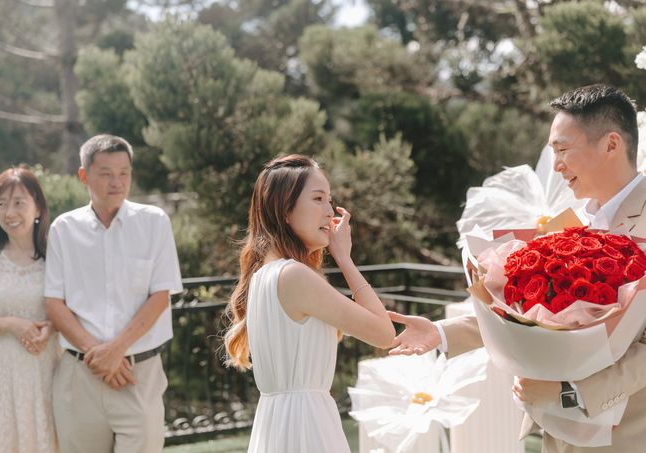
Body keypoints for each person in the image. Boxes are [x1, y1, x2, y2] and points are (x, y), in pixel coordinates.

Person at [389, 84, 645, 453]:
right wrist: (439, 333)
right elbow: (528, 313)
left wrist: (571, 394)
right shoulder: (569, 222)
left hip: (629, 434)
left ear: (610, 145)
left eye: (562, 150)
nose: (556, 166)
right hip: (556, 431)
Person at [224, 154, 395, 453]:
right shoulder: (293, 276)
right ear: (285, 209)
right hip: (307, 427)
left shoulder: (264, 276)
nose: (330, 212)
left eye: (330, 200)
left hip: (278, 423)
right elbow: (384, 333)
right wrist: (345, 258)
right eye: (318, 199)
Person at [45, 134, 182, 453]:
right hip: (79, 378)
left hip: (139, 375)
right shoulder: (63, 229)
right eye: (106, 173)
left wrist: (116, 350)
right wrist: (100, 355)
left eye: (124, 173)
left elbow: (161, 295)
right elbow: (54, 303)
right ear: (84, 175)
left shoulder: (154, 222)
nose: (116, 182)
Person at [0, 166, 59, 452]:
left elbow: (74, 308)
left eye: (19, 202)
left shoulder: (57, 254)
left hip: (48, 369)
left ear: (37, 207)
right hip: (1, 371)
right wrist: (12, 324)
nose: (10, 212)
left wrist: (52, 327)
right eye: (2, 204)